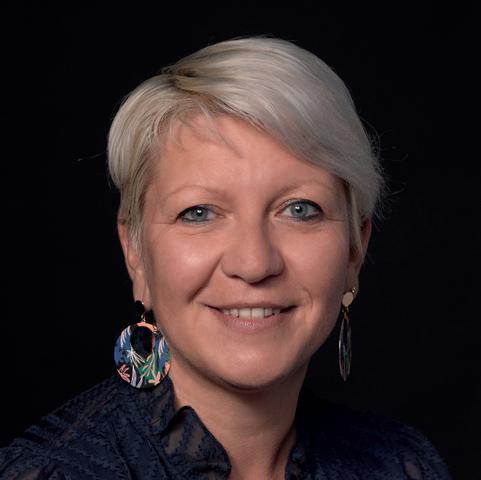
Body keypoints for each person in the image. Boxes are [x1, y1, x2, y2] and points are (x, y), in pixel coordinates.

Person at [0, 36, 452, 479]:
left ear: (355, 249)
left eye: (299, 209)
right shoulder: (50, 472)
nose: (254, 264)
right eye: (199, 213)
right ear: (135, 251)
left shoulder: (403, 465)